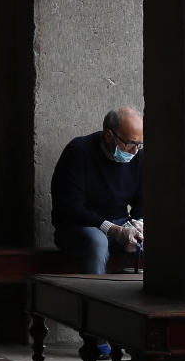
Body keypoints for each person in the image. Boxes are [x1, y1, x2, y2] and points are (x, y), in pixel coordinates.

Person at [51, 106, 144, 275]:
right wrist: (115, 230)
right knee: (98, 242)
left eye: (140, 144)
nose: (135, 151)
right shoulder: (79, 151)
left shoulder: (138, 156)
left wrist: (139, 223)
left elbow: (143, 201)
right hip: (79, 226)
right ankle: (93, 297)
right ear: (109, 136)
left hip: (120, 223)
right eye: (130, 144)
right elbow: (72, 208)